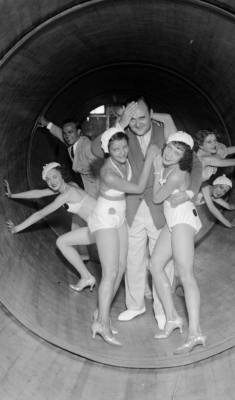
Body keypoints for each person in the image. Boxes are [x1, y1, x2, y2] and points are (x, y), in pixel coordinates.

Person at [91, 98, 203, 330]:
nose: (138, 123)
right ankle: (135, 305)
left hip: (160, 206)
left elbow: (197, 164)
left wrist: (190, 192)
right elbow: (95, 148)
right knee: (133, 257)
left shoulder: (167, 135)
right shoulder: (122, 136)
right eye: (132, 119)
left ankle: (163, 311)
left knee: (162, 261)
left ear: (152, 114)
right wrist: (120, 124)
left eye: (143, 117)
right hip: (131, 205)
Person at [89, 126, 159, 347]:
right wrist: (149, 159)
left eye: (123, 147)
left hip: (119, 215)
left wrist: (122, 122)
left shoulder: (123, 161)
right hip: (105, 219)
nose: (121, 152)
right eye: (115, 149)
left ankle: (101, 311)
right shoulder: (108, 172)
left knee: (121, 267)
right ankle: (102, 324)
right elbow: (138, 188)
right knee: (110, 272)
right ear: (107, 151)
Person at [149, 131, 206, 355]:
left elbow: (156, 198)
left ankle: (195, 333)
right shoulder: (170, 167)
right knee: (154, 265)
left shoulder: (176, 172)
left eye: (178, 151)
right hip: (173, 219)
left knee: (185, 274)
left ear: (185, 156)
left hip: (182, 218)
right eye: (170, 147)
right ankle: (172, 318)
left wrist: (155, 171)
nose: (171, 154)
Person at [5, 163, 97, 291]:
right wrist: (12, 195)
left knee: (62, 242)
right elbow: (39, 193)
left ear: (62, 175)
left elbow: (41, 213)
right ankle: (87, 277)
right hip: (98, 225)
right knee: (62, 242)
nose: (52, 181)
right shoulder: (68, 185)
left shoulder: (67, 194)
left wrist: (17, 228)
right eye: (48, 179)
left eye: (54, 177)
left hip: (103, 225)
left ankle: (87, 277)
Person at [38, 116, 103, 261]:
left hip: (98, 189)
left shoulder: (86, 147)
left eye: (70, 132)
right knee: (77, 221)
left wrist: (104, 196)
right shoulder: (72, 142)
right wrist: (47, 124)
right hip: (88, 186)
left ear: (79, 132)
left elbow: (102, 169)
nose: (67, 136)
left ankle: (101, 252)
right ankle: (84, 253)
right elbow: (60, 134)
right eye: (66, 133)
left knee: (97, 224)